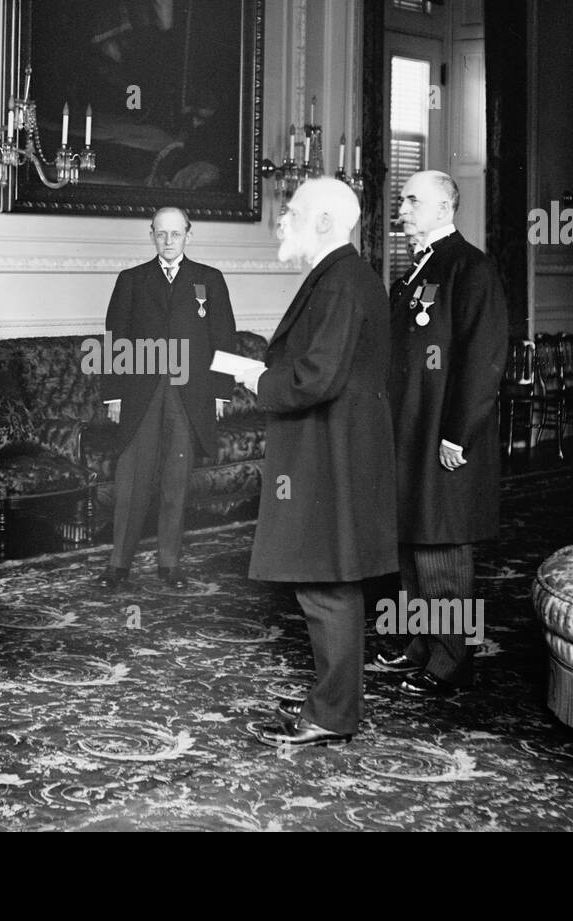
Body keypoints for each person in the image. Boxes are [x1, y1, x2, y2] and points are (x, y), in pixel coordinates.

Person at [245, 178, 398, 747]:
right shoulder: (344, 277)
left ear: (327, 222)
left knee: (325, 581)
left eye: (293, 212)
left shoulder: (340, 282)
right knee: (327, 579)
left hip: (330, 452)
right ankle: (334, 701)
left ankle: (333, 714)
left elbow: (317, 377)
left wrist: (259, 379)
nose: (282, 220)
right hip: (336, 448)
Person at [379, 170, 508, 698]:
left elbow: (484, 360)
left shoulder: (470, 267)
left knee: (445, 548)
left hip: (445, 434)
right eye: (403, 200)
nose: (401, 210)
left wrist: (457, 434)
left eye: (411, 201)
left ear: (443, 207)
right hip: (411, 429)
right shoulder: (420, 269)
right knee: (414, 541)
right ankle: (419, 646)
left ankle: (453, 660)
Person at [99, 206, 236, 589]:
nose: (168, 241)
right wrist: (113, 395)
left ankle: (169, 563)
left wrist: (220, 395)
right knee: (132, 479)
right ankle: (119, 563)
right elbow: (115, 340)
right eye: (161, 233)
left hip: (191, 393)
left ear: (189, 235)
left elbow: (224, 338)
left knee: (177, 480)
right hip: (141, 391)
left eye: (176, 234)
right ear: (152, 235)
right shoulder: (132, 279)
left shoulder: (210, 280)